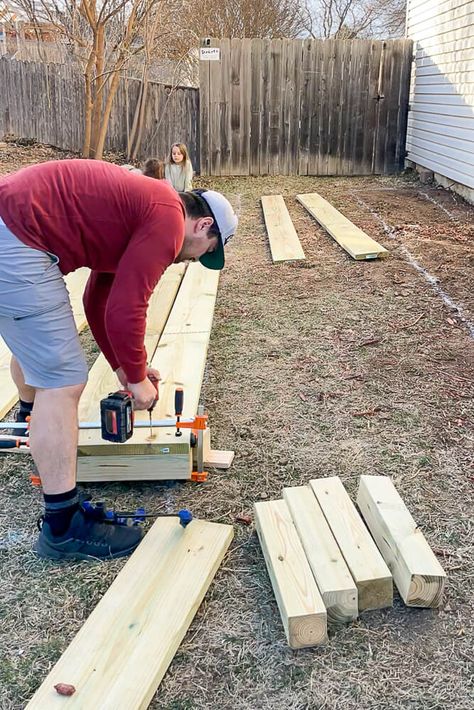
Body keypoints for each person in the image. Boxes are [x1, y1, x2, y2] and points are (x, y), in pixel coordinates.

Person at [0, 159, 237, 561]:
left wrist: (128, 370)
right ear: (203, 226)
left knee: (47, 364)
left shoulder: (143, 210)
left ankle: (31, 422)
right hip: (19, 238)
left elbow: (99, 301)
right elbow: (128, 308)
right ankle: (64, 526)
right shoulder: (166, 217)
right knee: (63, 382)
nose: (191, 261)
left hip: (13, 228)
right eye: (204, 253)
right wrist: (139, 381)